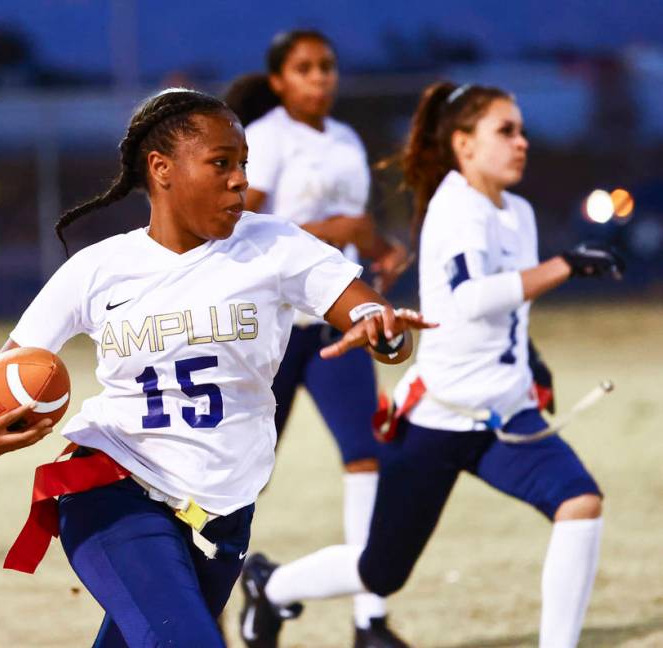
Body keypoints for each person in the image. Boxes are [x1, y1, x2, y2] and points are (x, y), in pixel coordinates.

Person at [0, 87, 433, 648]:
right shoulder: (98, 269)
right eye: (221, 163)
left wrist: (382, 330)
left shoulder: (274, 244)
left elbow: (371, 316)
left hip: (221, 518)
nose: (240, 180)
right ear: (162, 169)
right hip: (115, 489)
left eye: (244, 164)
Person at [238, 81, 624, 648]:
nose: (522, 142)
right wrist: (565, 265)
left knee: (580, 502)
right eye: (506, 131)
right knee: (381, 570)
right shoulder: (454, 207)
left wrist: (532, 364)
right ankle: (271, 587)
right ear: (464, 145)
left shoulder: (517, 210)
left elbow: (508, 310)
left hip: (505, 418)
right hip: (436, 419)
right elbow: (471, 298)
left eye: (521, 130)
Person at [224, 30, 411, 648]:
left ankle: (370, 622)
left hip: (336, 325)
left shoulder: (348, 140)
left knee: (368, 457)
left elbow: (350, 235)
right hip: (272, 330)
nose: (320, 77)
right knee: (238, 477)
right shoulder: (268, 138)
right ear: (278, 80)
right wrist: (342, 226)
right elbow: (238, 227)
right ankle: (208, 611)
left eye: (327, 66)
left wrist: (379, 251)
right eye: (305, 68)